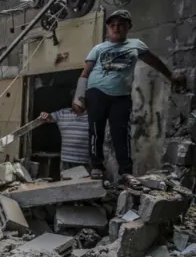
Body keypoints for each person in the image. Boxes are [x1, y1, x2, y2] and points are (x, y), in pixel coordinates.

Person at [74, 10, 185, 188]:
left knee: (121, 134)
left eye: (121, 25)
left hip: (121, 97)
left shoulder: (136, 45)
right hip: (96, 92)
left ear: (128, 27)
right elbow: (85, 73)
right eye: (113, 25)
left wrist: (171, 76)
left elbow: (154, 62)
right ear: (108, 29)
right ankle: (96, 167)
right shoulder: (99, 48)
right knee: (96, 130)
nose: (117, 28)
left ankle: (126, 172)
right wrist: (79, 97)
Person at [39, 99, 89, 174]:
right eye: (76, 103)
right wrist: (45, 115)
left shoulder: (92, 114)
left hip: (84, 161)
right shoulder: (63, 113)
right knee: (66, 183)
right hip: (66, 160)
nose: (78, 105)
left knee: (83, 185)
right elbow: (49, 118)